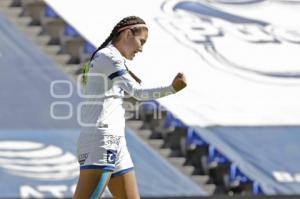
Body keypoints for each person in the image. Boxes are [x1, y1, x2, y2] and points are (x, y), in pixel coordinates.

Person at [73, 16, 187, 199]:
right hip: (102, 139)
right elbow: (138, 93)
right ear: (127, 33)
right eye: (141, 41)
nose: (141, 48)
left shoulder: (107, 57)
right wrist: (172, 88)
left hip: (115, 141)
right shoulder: (108, 56)